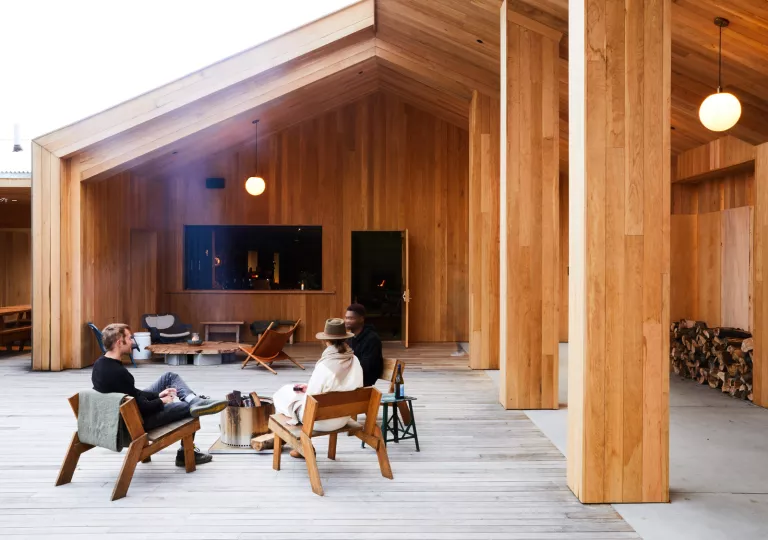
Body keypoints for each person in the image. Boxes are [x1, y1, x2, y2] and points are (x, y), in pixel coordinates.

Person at [91, 323, 228, 466]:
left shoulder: (99, 365)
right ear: (120, 342)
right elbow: (142, 407)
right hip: (138, 421)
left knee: (169, 377)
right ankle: (185, 452)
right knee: (189, 408)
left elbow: (132, 394)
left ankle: (195, 400)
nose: (132, 341)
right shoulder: (119, 373)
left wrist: (158, 394)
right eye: (129, 338)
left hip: (127, 412)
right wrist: (162, 401)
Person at [273, 318, 363, 458]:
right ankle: (301, 444)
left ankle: (302, 445)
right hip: (344, 417)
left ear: (326, 341)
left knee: (281, 396)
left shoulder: (325, 366)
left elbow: (310, 399)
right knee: (295, 396)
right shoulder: (355, 360)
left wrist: (301, 395)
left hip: (322, 421)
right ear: (345, 339)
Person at [344, 304, 383, 386]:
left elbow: (368, 366)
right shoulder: (350, 338)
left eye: (351, 318)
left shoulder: (372, 339)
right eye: (346, 318)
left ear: (361, 319)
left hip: (363, 381)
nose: (347, 321)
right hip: (351, 377)